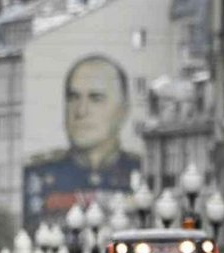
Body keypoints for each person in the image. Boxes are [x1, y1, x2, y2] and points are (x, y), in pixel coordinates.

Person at [23, 55, 141, 224]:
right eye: (73, 98)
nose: (81, 111)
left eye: (96, 98)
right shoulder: (39, 173)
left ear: (123, 110)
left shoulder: (140, 171)